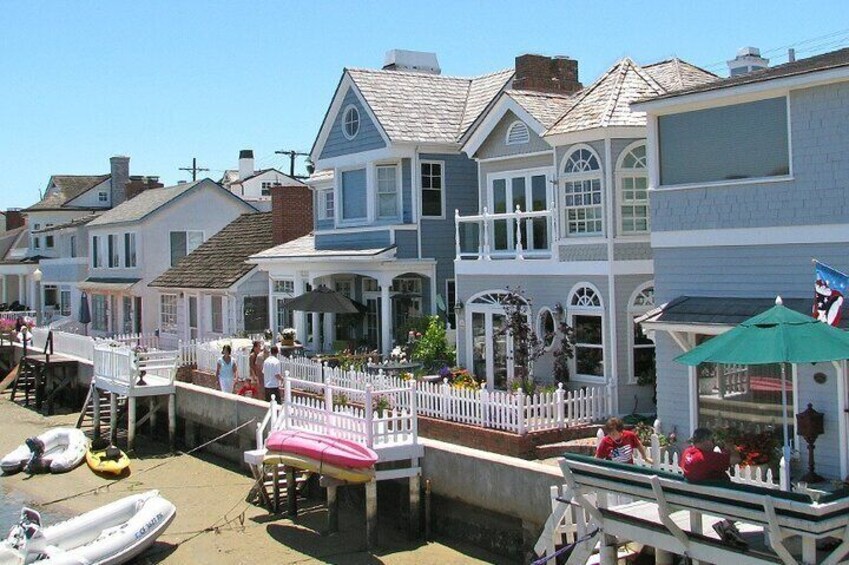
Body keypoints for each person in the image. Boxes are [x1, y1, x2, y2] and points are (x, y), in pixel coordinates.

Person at [681, 427, 746, 548]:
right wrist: (731, 447)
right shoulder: (707, 458)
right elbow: (737, 459)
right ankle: (727, 526)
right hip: (719, 498)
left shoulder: (687, 453)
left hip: (699, 497)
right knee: (746, 500)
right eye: (712, 440)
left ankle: (728, 529)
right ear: (706, 441)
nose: (713, 443)